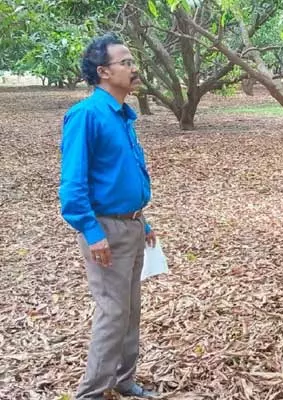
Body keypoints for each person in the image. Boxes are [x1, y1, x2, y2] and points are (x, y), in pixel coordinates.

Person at [59, 33, 159, 399]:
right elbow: (72, 186)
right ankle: (92, 392)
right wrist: (91, 231)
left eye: (133, 62)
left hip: (129, 224)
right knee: (113, 312)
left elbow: (120, 175)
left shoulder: (122, 115)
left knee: (130, 310)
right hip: (105, 230)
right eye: (126, 62)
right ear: (103, 71)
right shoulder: (87, 115)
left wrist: (141, 221)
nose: (134, 69)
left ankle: (123, 379)